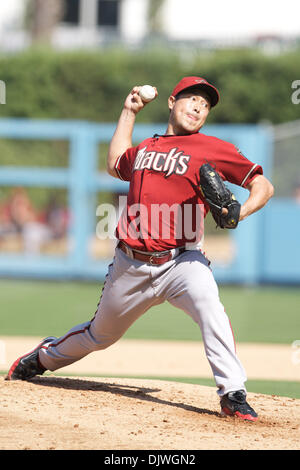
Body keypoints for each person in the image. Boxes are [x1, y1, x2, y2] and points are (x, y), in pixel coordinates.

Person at [6, 76, 274, 421]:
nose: (198, 107)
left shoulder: (212, 148)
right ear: (171, 102)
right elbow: (116, 162)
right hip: (130, 265)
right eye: (192, 99)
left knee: (211, 306)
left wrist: (240, 211)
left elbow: (262, 185)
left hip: (183, 261)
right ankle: (42, 357)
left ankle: (233, 394)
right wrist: (128, 111)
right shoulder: (146, 147)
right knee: (98, 336)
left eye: (205, 105)